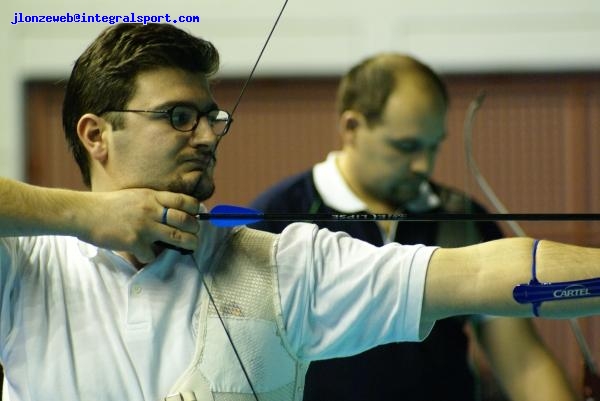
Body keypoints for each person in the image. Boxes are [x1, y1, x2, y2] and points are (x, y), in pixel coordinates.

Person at [0, 24, 598, 401]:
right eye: (180, 117)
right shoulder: (24, 268)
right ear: (96, 135)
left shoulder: (279, 263)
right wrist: (88, 216)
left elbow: (477, 274)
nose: (209, 135)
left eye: (213, 117)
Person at [249, 53, 576, 401]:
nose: (424, 165)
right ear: (351, 128)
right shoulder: (277, 219)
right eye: (406, 147)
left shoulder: (462, 220)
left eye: (433, 146)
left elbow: (524, 365)